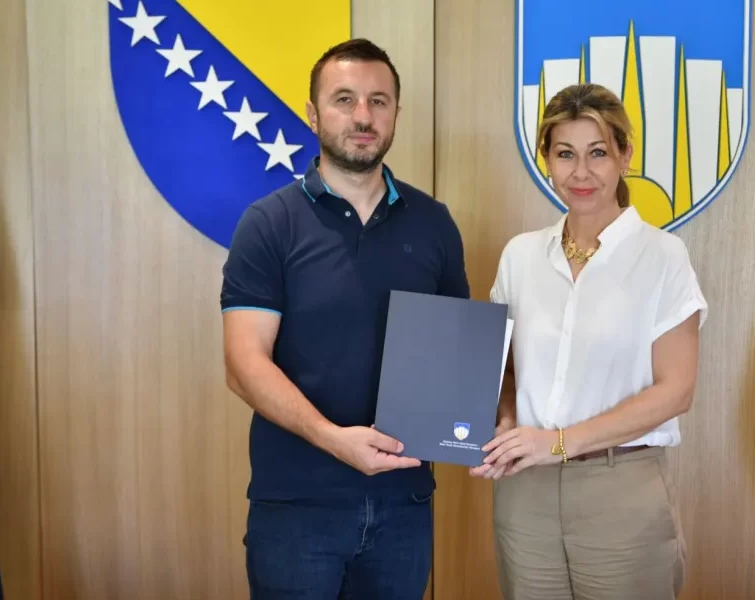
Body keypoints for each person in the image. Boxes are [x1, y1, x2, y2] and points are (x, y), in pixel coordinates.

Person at [220, 38, 470, 599]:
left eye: (379, 101)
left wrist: (475, 429)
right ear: (313, 114)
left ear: (396, 113)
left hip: (404, 506)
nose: (363, 116)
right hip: (297, 509)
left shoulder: (434, 223)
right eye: (344, 99)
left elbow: (454, 354)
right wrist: (333, 439)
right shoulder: (269, 223)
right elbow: (242, 364)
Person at [470, 83, 708, 600]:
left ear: (625, 156)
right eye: (565, 154)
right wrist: (506, 422)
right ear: (546, 161)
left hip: (620, 488)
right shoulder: (519, 256)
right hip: (525, 491)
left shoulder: (663, 257)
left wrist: (558, 442)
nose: (581, 172)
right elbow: (505, 368)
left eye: (597, 153)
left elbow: (676, 391)